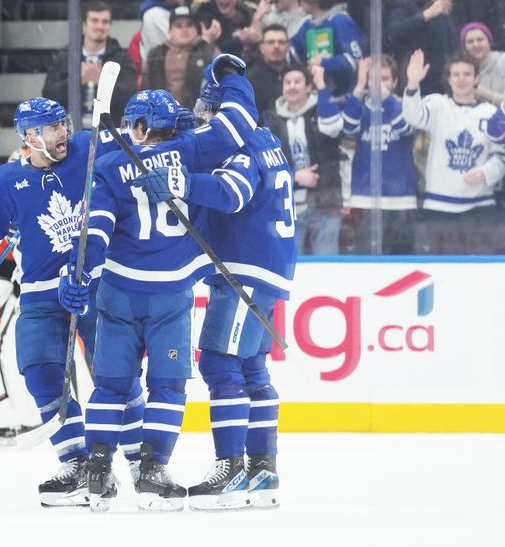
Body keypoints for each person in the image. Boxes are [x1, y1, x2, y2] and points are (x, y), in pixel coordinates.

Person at [58, 55, 260, 512]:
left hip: (117, 293)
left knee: (110, 386)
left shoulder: (108, 166)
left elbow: (96, 231)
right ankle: (152, 469)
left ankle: (96, 468)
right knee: (167, 387)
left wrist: (79, 275)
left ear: (138, 128)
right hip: (171, 294)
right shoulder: (190, 149)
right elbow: (238, 125)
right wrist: (231, 75)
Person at [0, 97, 145, 508]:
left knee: (116, 374)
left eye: (64, 124)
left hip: (98, 283)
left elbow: (141, 141)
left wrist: (141, 125)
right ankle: (76, 462)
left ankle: (144, 462)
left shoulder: (90, 146)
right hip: (40, 293)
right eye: (52, 128)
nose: (63, 133)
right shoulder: (2, 183)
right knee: (39, 371)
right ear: (29, 136)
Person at [134, 83, 295, 510]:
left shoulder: (242, 150)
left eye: (206, 113)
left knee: (221, 363)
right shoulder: (268, 141)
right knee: (250, 368)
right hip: (266, 270)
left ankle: (233, 468)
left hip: (244, 271)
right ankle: (264, 469)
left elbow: (231, 194)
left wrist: (178, 180)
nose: (203, 123)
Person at [402, 49, 505, 254]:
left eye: (467, 74)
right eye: (455, 74)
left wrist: (486, 172)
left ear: (477, 78)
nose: (461, 79)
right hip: (439, 209)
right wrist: (413, 84)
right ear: (448, 79)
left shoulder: (490, 113)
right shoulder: (438, 105)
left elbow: (501, 155)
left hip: (480, 209)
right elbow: (413, 116)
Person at [338, 56, 418, 254]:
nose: (379, 84)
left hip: (401, 198)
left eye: (384, 78)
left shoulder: (405, 106)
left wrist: (383, 95)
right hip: (365, 198)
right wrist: (359, 87)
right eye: (374, 78)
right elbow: (348, 127)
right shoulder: (359, 106)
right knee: (365, 262)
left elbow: (406, 127)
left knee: (402, 263)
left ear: (395, 82)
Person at [263, 64, 343, 255]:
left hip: (325, 200)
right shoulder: (272, 120)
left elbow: (334, 127)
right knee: (290, 262)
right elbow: (264, 165)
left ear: (308, 87)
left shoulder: (320, 109)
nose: (292, 86)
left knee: (326, 260)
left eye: (297, 82)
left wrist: (321, 85)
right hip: (286, 206)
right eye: (287, 82)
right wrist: (295, 176)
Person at [42, 1, 136, 127]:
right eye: (94, 20)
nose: (100, 26)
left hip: (109, 134)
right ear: (84, 24)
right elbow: (48, 94)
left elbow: (130, 97)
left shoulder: (121, 58)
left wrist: (103, 82)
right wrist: (77, 80)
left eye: (105, 22)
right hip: (69, 132)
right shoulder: (65, 57)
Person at [142, 6, 217, 109]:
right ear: (170, 30)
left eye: (189, 25)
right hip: (162, 117)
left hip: (200, 116)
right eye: (178, 25)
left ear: (196, 28)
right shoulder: (156, 54)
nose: (184, 29)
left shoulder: (209, 50)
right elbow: (145, 89)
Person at [288, 0, 365, 98]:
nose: (299, 3)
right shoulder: (308, 24)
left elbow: (356, 60)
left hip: (346, 95)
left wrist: (323, 63)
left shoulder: (339, 20)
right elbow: (292, 54)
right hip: (317, 95)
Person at [384, 0, 457, 96]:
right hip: (419, 81)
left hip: (445, 80)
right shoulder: (402, 3)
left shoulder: (444, 7)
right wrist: (426, 15)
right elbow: (394, 31)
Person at [246, 23, 290, 117]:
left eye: (281, 42)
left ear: (288, 47)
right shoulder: (251, 79)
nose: (276, 46)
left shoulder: (296, 74)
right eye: (270, 42)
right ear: (262, 48)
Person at [460, 22, 505, 107]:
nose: (475, 45)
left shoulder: (503, 61)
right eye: (470, 42)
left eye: (480, 39)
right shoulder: (462, 71)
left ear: (489, 42)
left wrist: (481, 92)